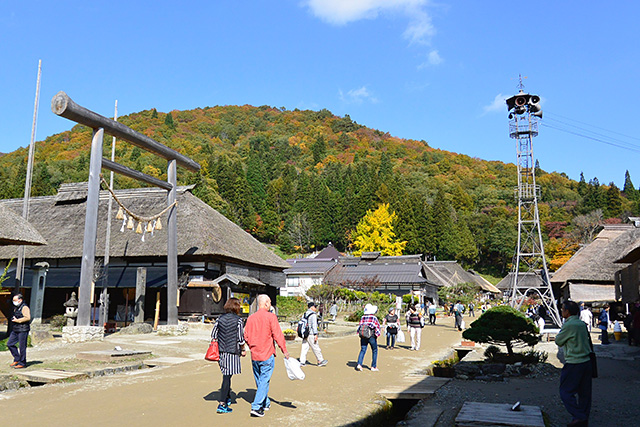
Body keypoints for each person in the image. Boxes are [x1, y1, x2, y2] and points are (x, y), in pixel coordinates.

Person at [243, 294, 289, 418]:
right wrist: (284, 350)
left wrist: (251, 346)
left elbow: (245, 335)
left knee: (260, 380)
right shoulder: (271, 317)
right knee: (264, 380)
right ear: (267, 303)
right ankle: (256, 406)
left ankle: (265, 402)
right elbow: (278, 334)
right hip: (266, 353)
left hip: (255, 354)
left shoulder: (251, 318)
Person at [556, 300, 592, 427]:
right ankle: (583, 419)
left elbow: (558, 341)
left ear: (567, 311)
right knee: (584, 393)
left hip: (574, 362)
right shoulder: (581, 324)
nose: (561, 311)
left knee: (565, 391)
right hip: (586, 362)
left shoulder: (569, 325)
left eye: (562, 309)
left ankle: (579, 416)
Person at [211, 297, 246, 414]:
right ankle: (222, 403)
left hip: (220, 351)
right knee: (227, 377)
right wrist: (243, 349)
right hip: (232, 351)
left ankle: (227, 397)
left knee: (227, 375)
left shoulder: (219, 319)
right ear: (236, 307)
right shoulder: (238, 320)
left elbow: (213, 334)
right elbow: (240, 338)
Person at [299, 302, 328, 367]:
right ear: (311, 307)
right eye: (315, 307)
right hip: (311, 333)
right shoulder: (313, 315)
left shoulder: (305, 314)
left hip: (305, 333)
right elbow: (314, 325)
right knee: (316, 347)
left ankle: (302, 361)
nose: (315, 308)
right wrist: (315, 334)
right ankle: (320, 360)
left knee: (304, 348)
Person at [8, 293, 31, 369]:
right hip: (15, 329)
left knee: (22, 347)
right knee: (10, 344)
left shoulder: (25, 307)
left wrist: (18, 320)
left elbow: (27, 317)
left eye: (15, 300)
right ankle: (17, 359)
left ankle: (22, 362)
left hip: (23, 329)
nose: (13, 301)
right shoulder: (16, 307)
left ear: (20, 300)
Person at [356, 303, 381, 371]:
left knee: (363, 350)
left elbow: (360, 326)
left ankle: (359, 364)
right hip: (371, 336)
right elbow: (377, 327)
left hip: (363, 336)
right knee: (374, 350)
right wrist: (377, 334)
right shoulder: (373, 317)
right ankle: (373, 366)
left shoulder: (363, 317)